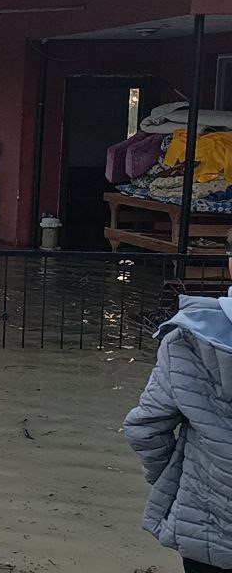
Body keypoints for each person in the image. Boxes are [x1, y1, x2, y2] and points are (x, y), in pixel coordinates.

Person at [123, 230, 232, 573]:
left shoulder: (185, 341)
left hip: (207, 528)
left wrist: (176, 480)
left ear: (230, 265)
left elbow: (144, 429)